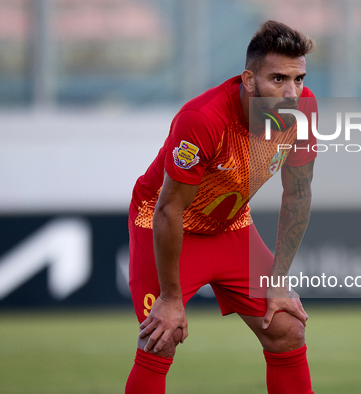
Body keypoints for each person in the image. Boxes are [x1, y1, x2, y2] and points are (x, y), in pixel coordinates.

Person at [125, 20, 317, 394]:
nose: (292, 92)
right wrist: (170, 298)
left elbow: (298, 195)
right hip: (164, 225)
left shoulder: (303, 110)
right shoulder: (202, 120)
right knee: (160, 338)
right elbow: (169, 209)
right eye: (278, 79)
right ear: (248, 80)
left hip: (229, 227)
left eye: (298, 79)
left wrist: (277, 279)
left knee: (287, 327)